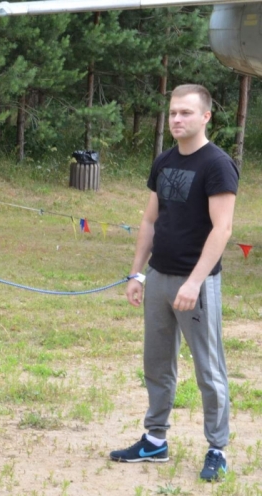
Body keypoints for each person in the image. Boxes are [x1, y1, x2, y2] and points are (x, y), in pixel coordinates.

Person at [110, 84, 239, 482]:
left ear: (205, 117)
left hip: (195, 286)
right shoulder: (164, 161)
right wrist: (137, 272)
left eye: (186, 113)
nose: (177, 120)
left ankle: (216, 448)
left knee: (208, 369)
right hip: (159, 279)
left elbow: (223, 228)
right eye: (172, 113)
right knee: (157, 365)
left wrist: (195, 282)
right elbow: (150, 221)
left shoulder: (217, 164)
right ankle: (155, 439)